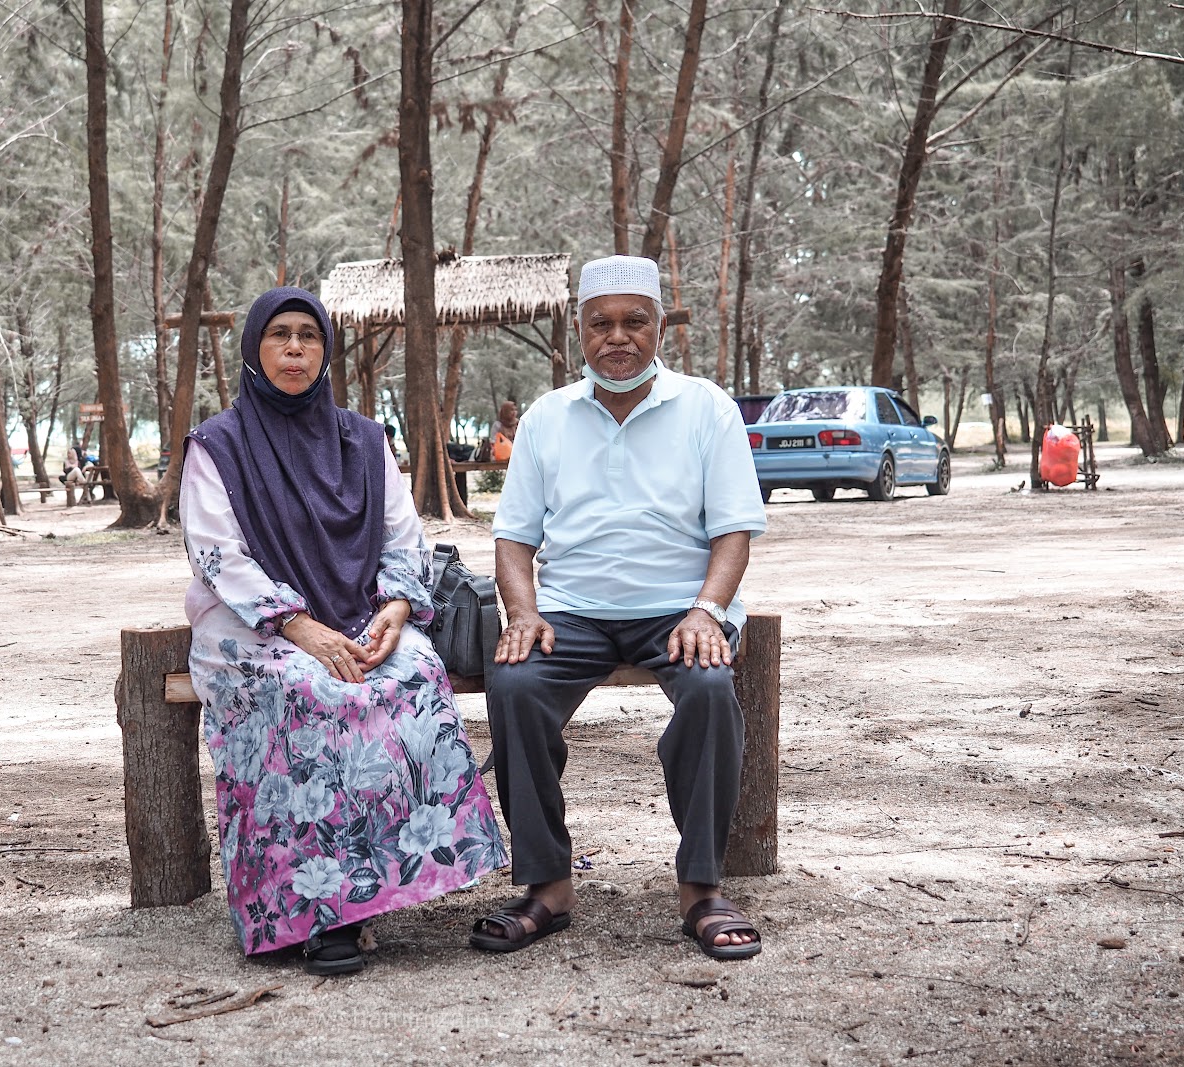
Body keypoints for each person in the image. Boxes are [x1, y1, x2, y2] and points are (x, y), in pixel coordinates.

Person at [180, 286, 506, 977]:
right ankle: (312, 910)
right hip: (253, 625)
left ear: (326, 351)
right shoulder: (219, 445)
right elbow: (217, 556)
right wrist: (299, 628)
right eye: (280, 335)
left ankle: (377, 885)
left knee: (414, 672)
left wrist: (395, 608)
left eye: (308, 336)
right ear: (254, 349)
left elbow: (402, 536)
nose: (295, 348)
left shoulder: (363, 439)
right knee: (305, 690)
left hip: (362, 612)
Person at [472, 255, 768, 962]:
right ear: (580, 329)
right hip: (572, 611)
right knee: (514, 685)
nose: (618, 337)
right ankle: (547, 884)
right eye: (601, 322)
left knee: (707, 688)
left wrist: (706, 609)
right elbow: (513, 540)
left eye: (635, 320)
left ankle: (700, 887)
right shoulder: (547, 417)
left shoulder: (707, 408)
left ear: (660, 325)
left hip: (679, 608)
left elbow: (733, 532)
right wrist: (524, 613)